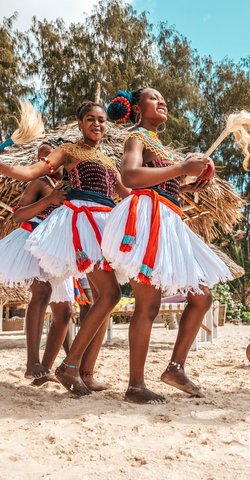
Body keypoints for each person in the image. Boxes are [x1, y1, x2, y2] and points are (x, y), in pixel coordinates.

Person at [103, 88, 231, 404]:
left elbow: (165, 183)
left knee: (202, 297)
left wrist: (191, 181)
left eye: (164, 98)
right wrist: (179, 169)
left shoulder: (159, 145)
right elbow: (131, 176)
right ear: (135, 108)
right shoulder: (137, 138)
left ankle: (175, 368)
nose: (163, 101)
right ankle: (135, 385)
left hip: (168, 221)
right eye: (153, 97)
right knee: (148, 305)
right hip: (148, 220)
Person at [0, 101, 130, 395]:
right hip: (83, 223)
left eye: (101, 119)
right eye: (89, 119)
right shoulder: (69, 150)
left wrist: (180, 186)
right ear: (80, 123)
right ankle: (67, 367)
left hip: (105, 224)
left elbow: (129, 194)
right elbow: (29, 172)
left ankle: (86, 371)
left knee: (102, 298)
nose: (97, 124)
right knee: (108, 294)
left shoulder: (110, 161)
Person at [0, 140, 73, 382]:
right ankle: (32, 362)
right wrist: (47, 200)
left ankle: (45, 370)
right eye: (40, 158)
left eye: (48, 155)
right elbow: (18, 215)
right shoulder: (39, 183)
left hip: (56, 248)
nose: (45, 161)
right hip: (32, 240)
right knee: (41, 292)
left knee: (64, 312)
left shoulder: (72, 182)